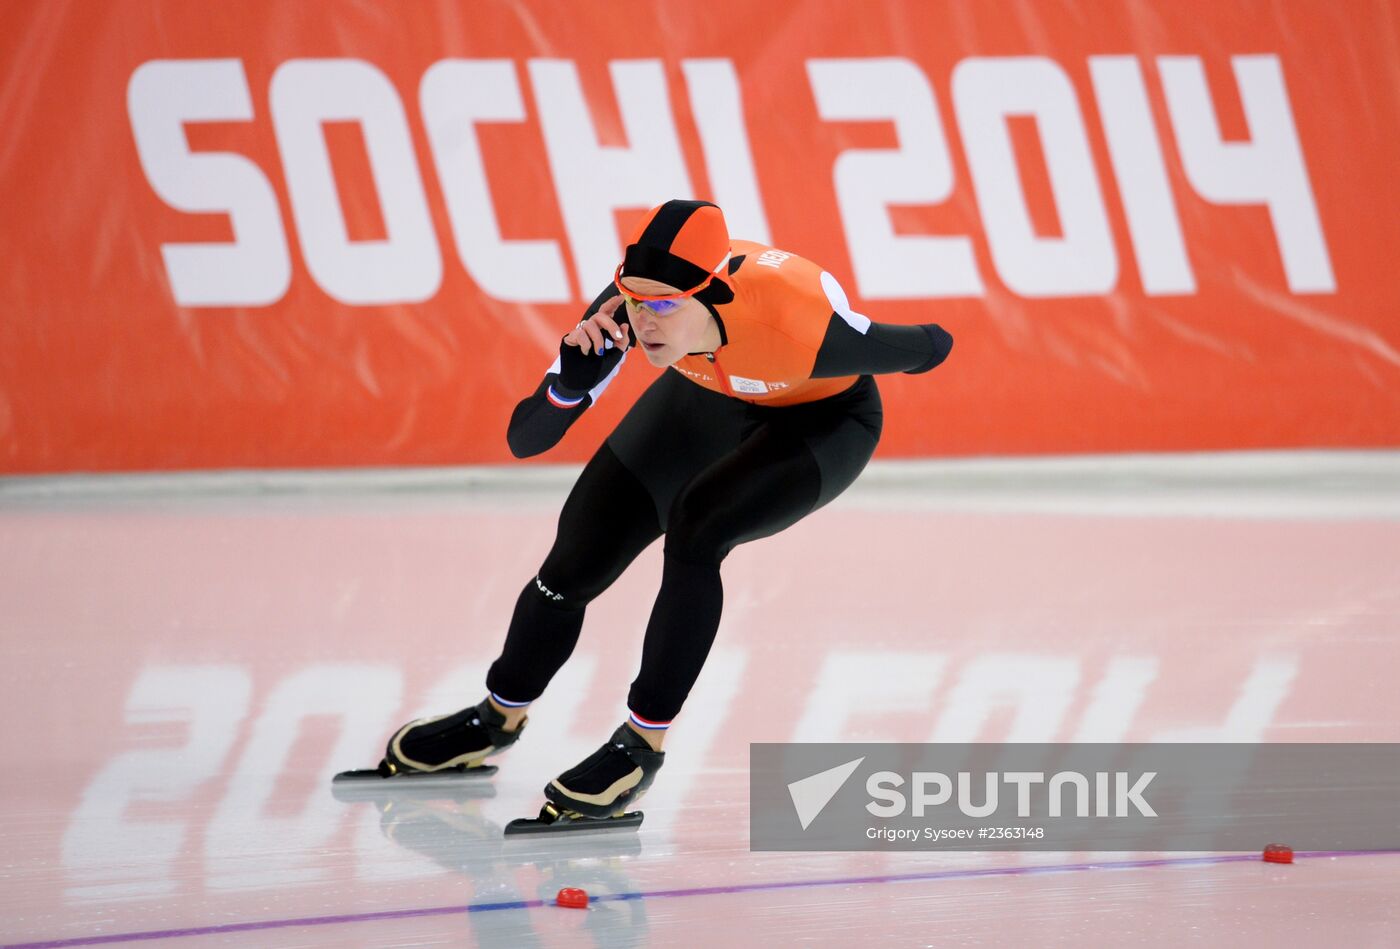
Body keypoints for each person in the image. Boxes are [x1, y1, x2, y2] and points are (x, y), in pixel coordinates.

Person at [377, 199, 953, 819]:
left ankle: (640, 747)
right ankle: (496, 717)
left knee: (697, 528)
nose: (642, 321)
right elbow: (526, 438)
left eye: (663, 306)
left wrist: (868, 329)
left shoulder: (804, 327)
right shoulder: (620, 310)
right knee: (573, 559)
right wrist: (569, 387)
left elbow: (931, 345)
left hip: (821, 420)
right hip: (705, 391)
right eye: (634, 299)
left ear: (712, 295)